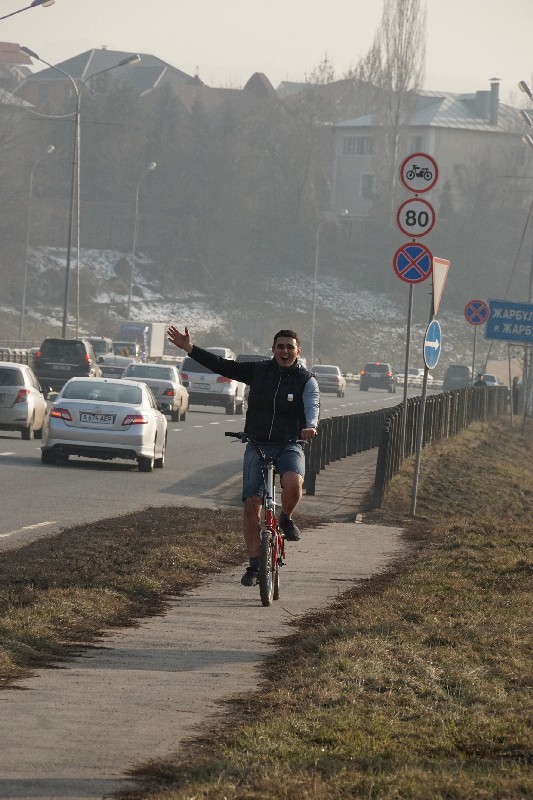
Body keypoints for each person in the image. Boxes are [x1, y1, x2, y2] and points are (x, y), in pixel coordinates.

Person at [167, 326, 320, 587]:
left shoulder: (306, 379)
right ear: (273, 349)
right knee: (252, 504)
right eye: (280, 346)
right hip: (257, 444)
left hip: (289, 443)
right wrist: (190, 349)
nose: (285, 351)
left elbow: (312, 405)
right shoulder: (258, 371)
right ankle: (254, 563)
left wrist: (311, 425)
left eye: (290, 347)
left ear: (298, 351)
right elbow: (222, 366)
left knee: (294, 484)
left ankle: (285, 518)